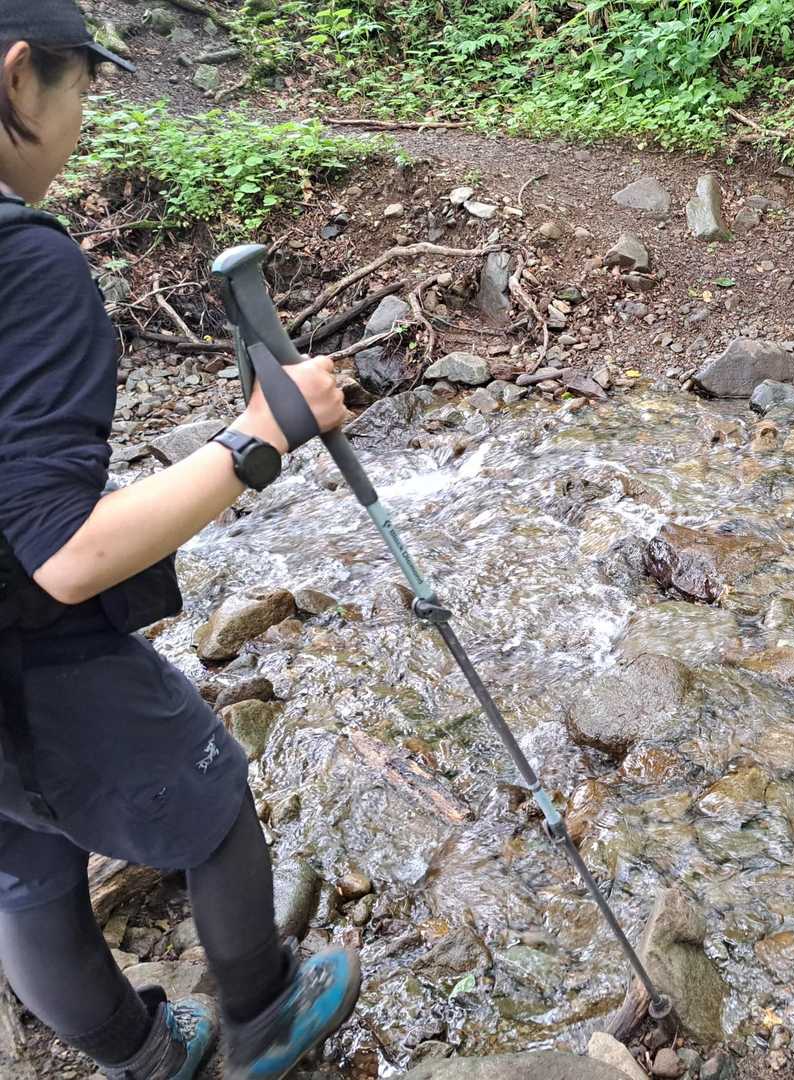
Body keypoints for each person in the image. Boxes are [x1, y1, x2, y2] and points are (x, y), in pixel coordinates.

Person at [0, 3, 361, 1078]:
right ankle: (264, 1018)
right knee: (211, 798)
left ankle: (151, 1062)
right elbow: (65, 551)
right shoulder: (24, 265)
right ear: (18, 77)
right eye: (80, 89)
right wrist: (260, 437)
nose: (82, 120)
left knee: (23, 870)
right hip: (29, 656)